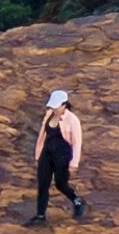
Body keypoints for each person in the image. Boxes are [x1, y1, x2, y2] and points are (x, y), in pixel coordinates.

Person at [29, 89, 87, 222]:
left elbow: (77, 142)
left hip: (62, 156)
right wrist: (38, 153)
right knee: (43, 183)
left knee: (61, 184)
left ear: (64, 105)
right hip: (47, 154)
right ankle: (40, 215)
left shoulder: (72, 120)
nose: (54, 109)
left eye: (57, 106)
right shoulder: (49, 114)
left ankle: (76, 200)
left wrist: (74, 163)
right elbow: (43, 135)